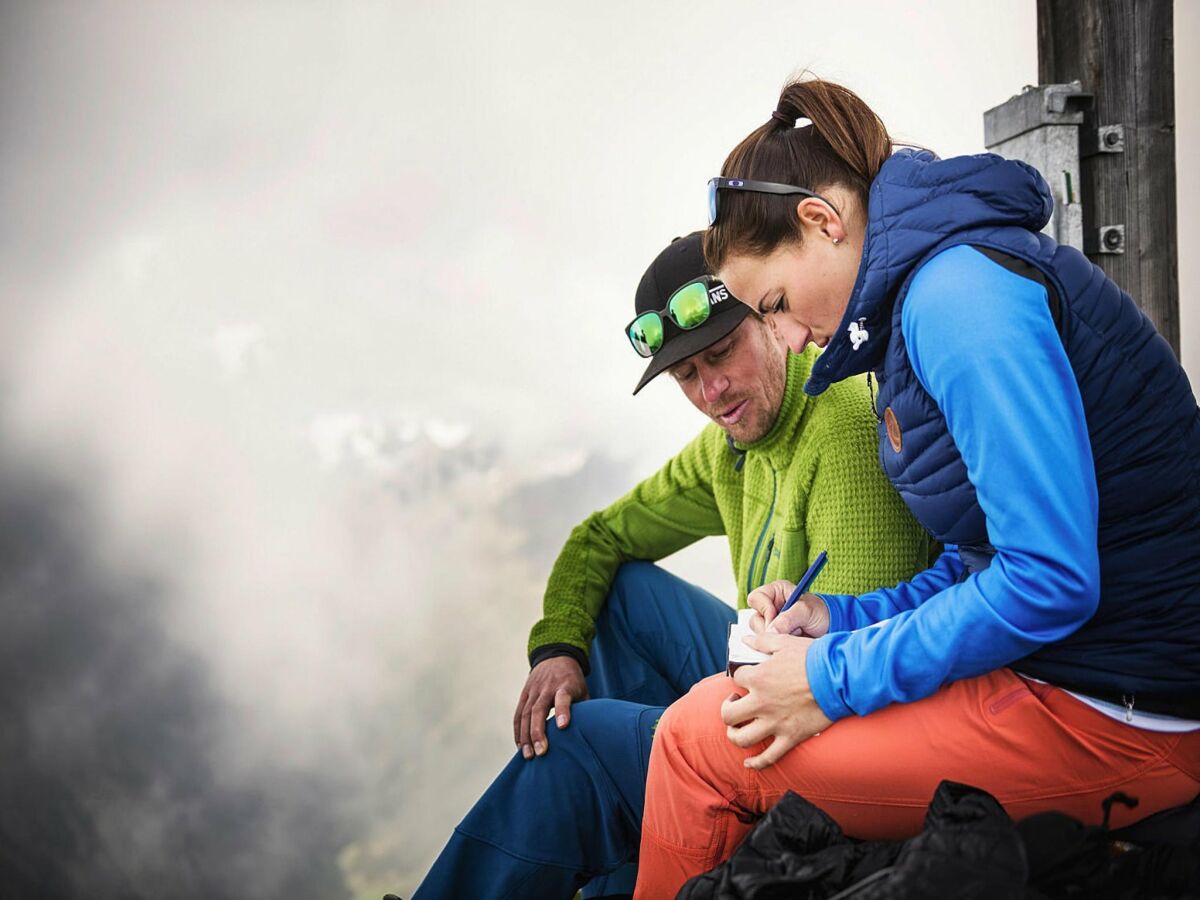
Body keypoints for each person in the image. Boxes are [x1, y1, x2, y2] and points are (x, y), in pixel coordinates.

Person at [633, 77, 1200, 898]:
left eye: (777, 304)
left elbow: (1051, 579)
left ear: (822, 222)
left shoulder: (957, 300)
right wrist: (838, 620)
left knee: (697, 742)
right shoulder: (918, 306)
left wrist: (829, 677)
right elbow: (981, 561)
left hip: (1121, 714)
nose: (785, 338)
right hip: (1070, 676)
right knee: (714, 718)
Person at [412, 232, 935, 899]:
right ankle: (648, 849)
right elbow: (599, 538)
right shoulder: (732, 446)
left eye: (721, 352)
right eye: (685, 374)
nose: (711, 390)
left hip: (840, 738)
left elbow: (839, 687)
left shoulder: (841, 429)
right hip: (769, 674)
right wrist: (558, 648)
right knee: (621, 593)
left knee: (579, 747)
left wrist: (696, 734)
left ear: (769, 319)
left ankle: (653, 833)